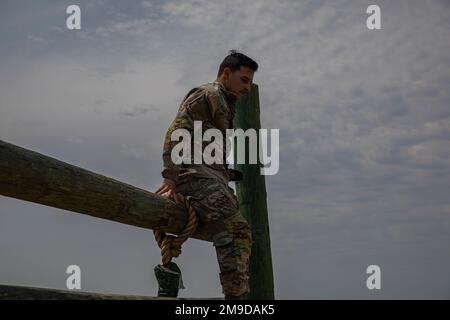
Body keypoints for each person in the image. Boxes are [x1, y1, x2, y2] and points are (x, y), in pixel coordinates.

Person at [155, 50, 258, 299]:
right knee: (237, 230)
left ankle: (237, 296)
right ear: (226, 73)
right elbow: (178, 131)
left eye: (250, 82)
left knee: (237, 230)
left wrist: (226, 173)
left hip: (209, 177)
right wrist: (170, 177)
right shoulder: (208, 95)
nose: (247, 88)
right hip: (194, 177)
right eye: (244, 80)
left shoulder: (226, 104)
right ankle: (236, 299)